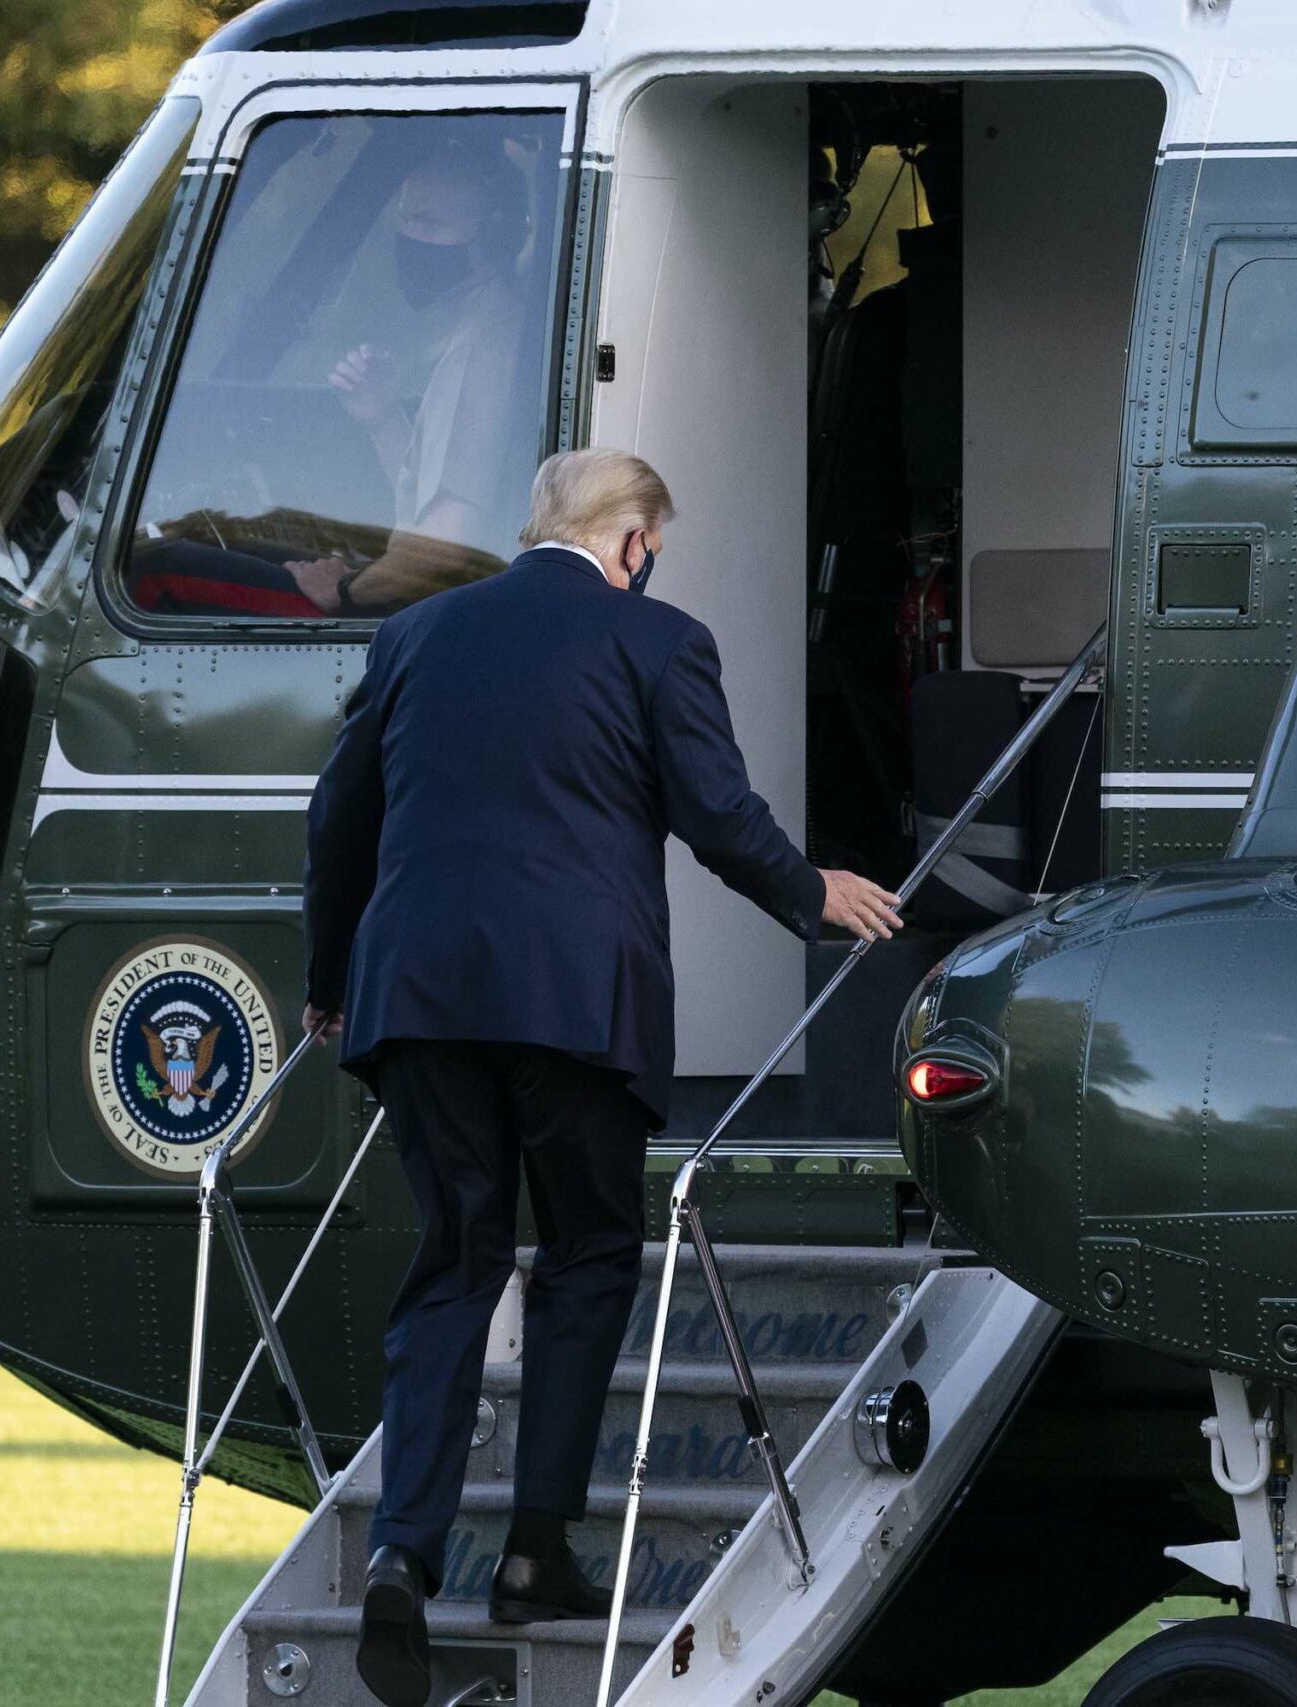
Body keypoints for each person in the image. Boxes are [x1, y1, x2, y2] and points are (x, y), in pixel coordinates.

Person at [302, 448, 902, 1707]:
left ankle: (402, 1556)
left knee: (454, 1257)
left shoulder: (416, 634)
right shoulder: (656, 643)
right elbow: (715, 810)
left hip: (417, 1000)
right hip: (576, 1002)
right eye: (654, 548)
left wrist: (328, 978)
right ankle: (533, 1553)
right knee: (583, 1253)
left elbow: (338, 817)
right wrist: (814, 890)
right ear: (631, 538)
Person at [286, 148, 535, 618]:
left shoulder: (480, 349)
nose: (409, 238)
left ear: (494, 237)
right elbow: (435, 502)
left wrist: (344, 592)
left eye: (430, 224)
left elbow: (445, 550)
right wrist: (383, 418)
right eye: (405, 220)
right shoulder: (491, 326)